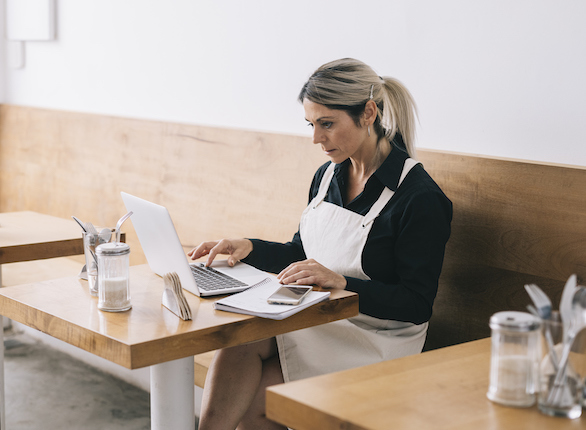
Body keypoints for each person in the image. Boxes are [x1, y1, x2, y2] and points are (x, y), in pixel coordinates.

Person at [188, 58, 452, 430]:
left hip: (376, 340)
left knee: (260, 403)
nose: (316, 138)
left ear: (368, 113)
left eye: (327, 124)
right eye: (312, 125)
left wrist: (343, 283)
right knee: (241, 338)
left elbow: (416, 304)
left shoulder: (418, 198)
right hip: (321, 318)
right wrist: (249, 246)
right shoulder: (328, 175)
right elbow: (302, 255)